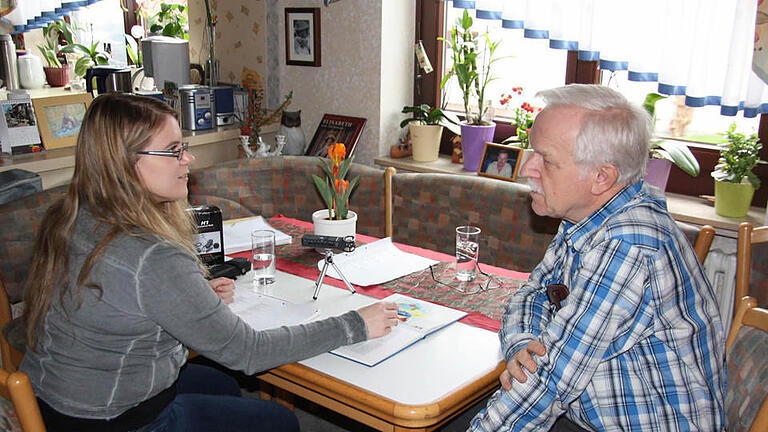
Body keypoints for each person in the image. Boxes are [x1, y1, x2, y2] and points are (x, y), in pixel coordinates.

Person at [20, 93, 399, 432]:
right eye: (173, 151)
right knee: (278, 421)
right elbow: (248, 352)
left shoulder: (73, 215)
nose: (189, 158)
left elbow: (120, 301)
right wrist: (355, 324)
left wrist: (192, 299)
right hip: (113, 418)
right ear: (126, 163)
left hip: (54, 396)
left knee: (219, 384)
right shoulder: (152, 255)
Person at [469, 85, 725, 431]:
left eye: (547, 159)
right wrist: (521, 344)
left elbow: (550, 383)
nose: (527, 168)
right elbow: (532, 294)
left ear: (601, 177)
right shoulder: (588, 216)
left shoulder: (628, 246)